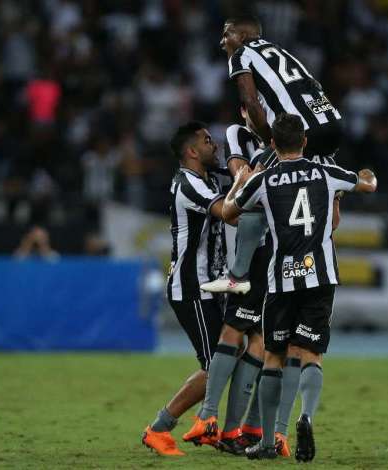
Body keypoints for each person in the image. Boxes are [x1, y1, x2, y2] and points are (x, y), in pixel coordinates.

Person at [222, 113, 378, 461]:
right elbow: (367, 185)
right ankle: (305, 415)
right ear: (305, 141)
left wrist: (241, 181)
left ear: (273, 144)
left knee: (273, 355)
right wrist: (367, 175)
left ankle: (266, 443)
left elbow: (229, 212)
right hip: (320, 278)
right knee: (311, 355)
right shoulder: (326, 173)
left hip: (281, 281)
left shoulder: (264, 179)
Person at [202, 14, 343, 295]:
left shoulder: (241, 54)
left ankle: (237, 277)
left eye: (226, 34)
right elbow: (314, 86)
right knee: (310, 195)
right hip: (332, 125)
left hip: (302, 131)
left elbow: (251, 102)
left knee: (253, 192)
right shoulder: (281, 50)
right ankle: (332, 196)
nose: (222, 42)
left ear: (241, 37)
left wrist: (273, 143)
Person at [182, 109, 291, 457]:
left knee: (265, 342)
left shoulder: (288, 140)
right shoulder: (241, 136)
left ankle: (241, 429)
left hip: (279, 253)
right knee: (238, 333)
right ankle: (210, 418)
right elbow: (243, 182)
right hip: (252, 252)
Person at [141, 121, 237, 456]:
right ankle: (159, 428)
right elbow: (229, 212)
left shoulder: (209, 176)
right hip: (193, 288)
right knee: (217, 365)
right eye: (209, 141)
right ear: (192, 151)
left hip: (215, 285)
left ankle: (217, 427)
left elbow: (245, 169)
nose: (216, 145)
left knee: (231, 357)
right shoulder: (189, 184)